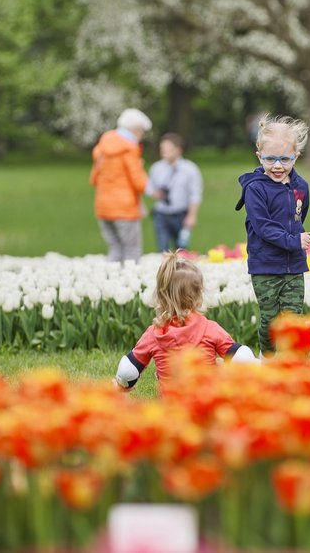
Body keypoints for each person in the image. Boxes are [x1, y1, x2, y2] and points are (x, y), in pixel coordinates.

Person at [114, 252, 257, 393]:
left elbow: (128, 371)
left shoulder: (154, 334)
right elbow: (242, 358)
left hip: (172, 406)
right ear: (198, 295)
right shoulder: (210, 329)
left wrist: (123, 385)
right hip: (206, 404)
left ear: (161, 295)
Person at [235, 114, 310, 357]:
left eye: (285, 159)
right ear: (260, 157)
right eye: (270, 159)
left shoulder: (301, 187)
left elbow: (299, 216)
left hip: (294, 265)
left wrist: (295, 241)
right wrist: (293, 241)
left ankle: (291, 364)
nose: (277, 166)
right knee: (270, 320)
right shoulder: (256, 189)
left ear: (295, 156)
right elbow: (263, 227)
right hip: (265, 265)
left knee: (292, 320)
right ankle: (267, 359)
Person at [90, 108, 151, 262]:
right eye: (142, 131)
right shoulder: (129, 149)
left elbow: (94, 179)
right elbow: (139, 183)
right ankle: (131, 284)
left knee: (115, 249)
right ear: (136, 130)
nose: (141, 135)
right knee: (132, 251)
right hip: (125, 208)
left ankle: (111, 283)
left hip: (103, 207)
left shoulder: (102, 148)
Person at [146, 133, 202, 251]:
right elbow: (148, 187)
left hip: (181, 214)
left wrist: (192, 215)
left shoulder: (190, 169)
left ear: (178, 150)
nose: (164, 152)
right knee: (162, 250)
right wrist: (155, 194)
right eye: (162, 149)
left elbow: (195, 194)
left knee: (181, 250)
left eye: (167, 149)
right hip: (161, 214)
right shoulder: (156, 168)